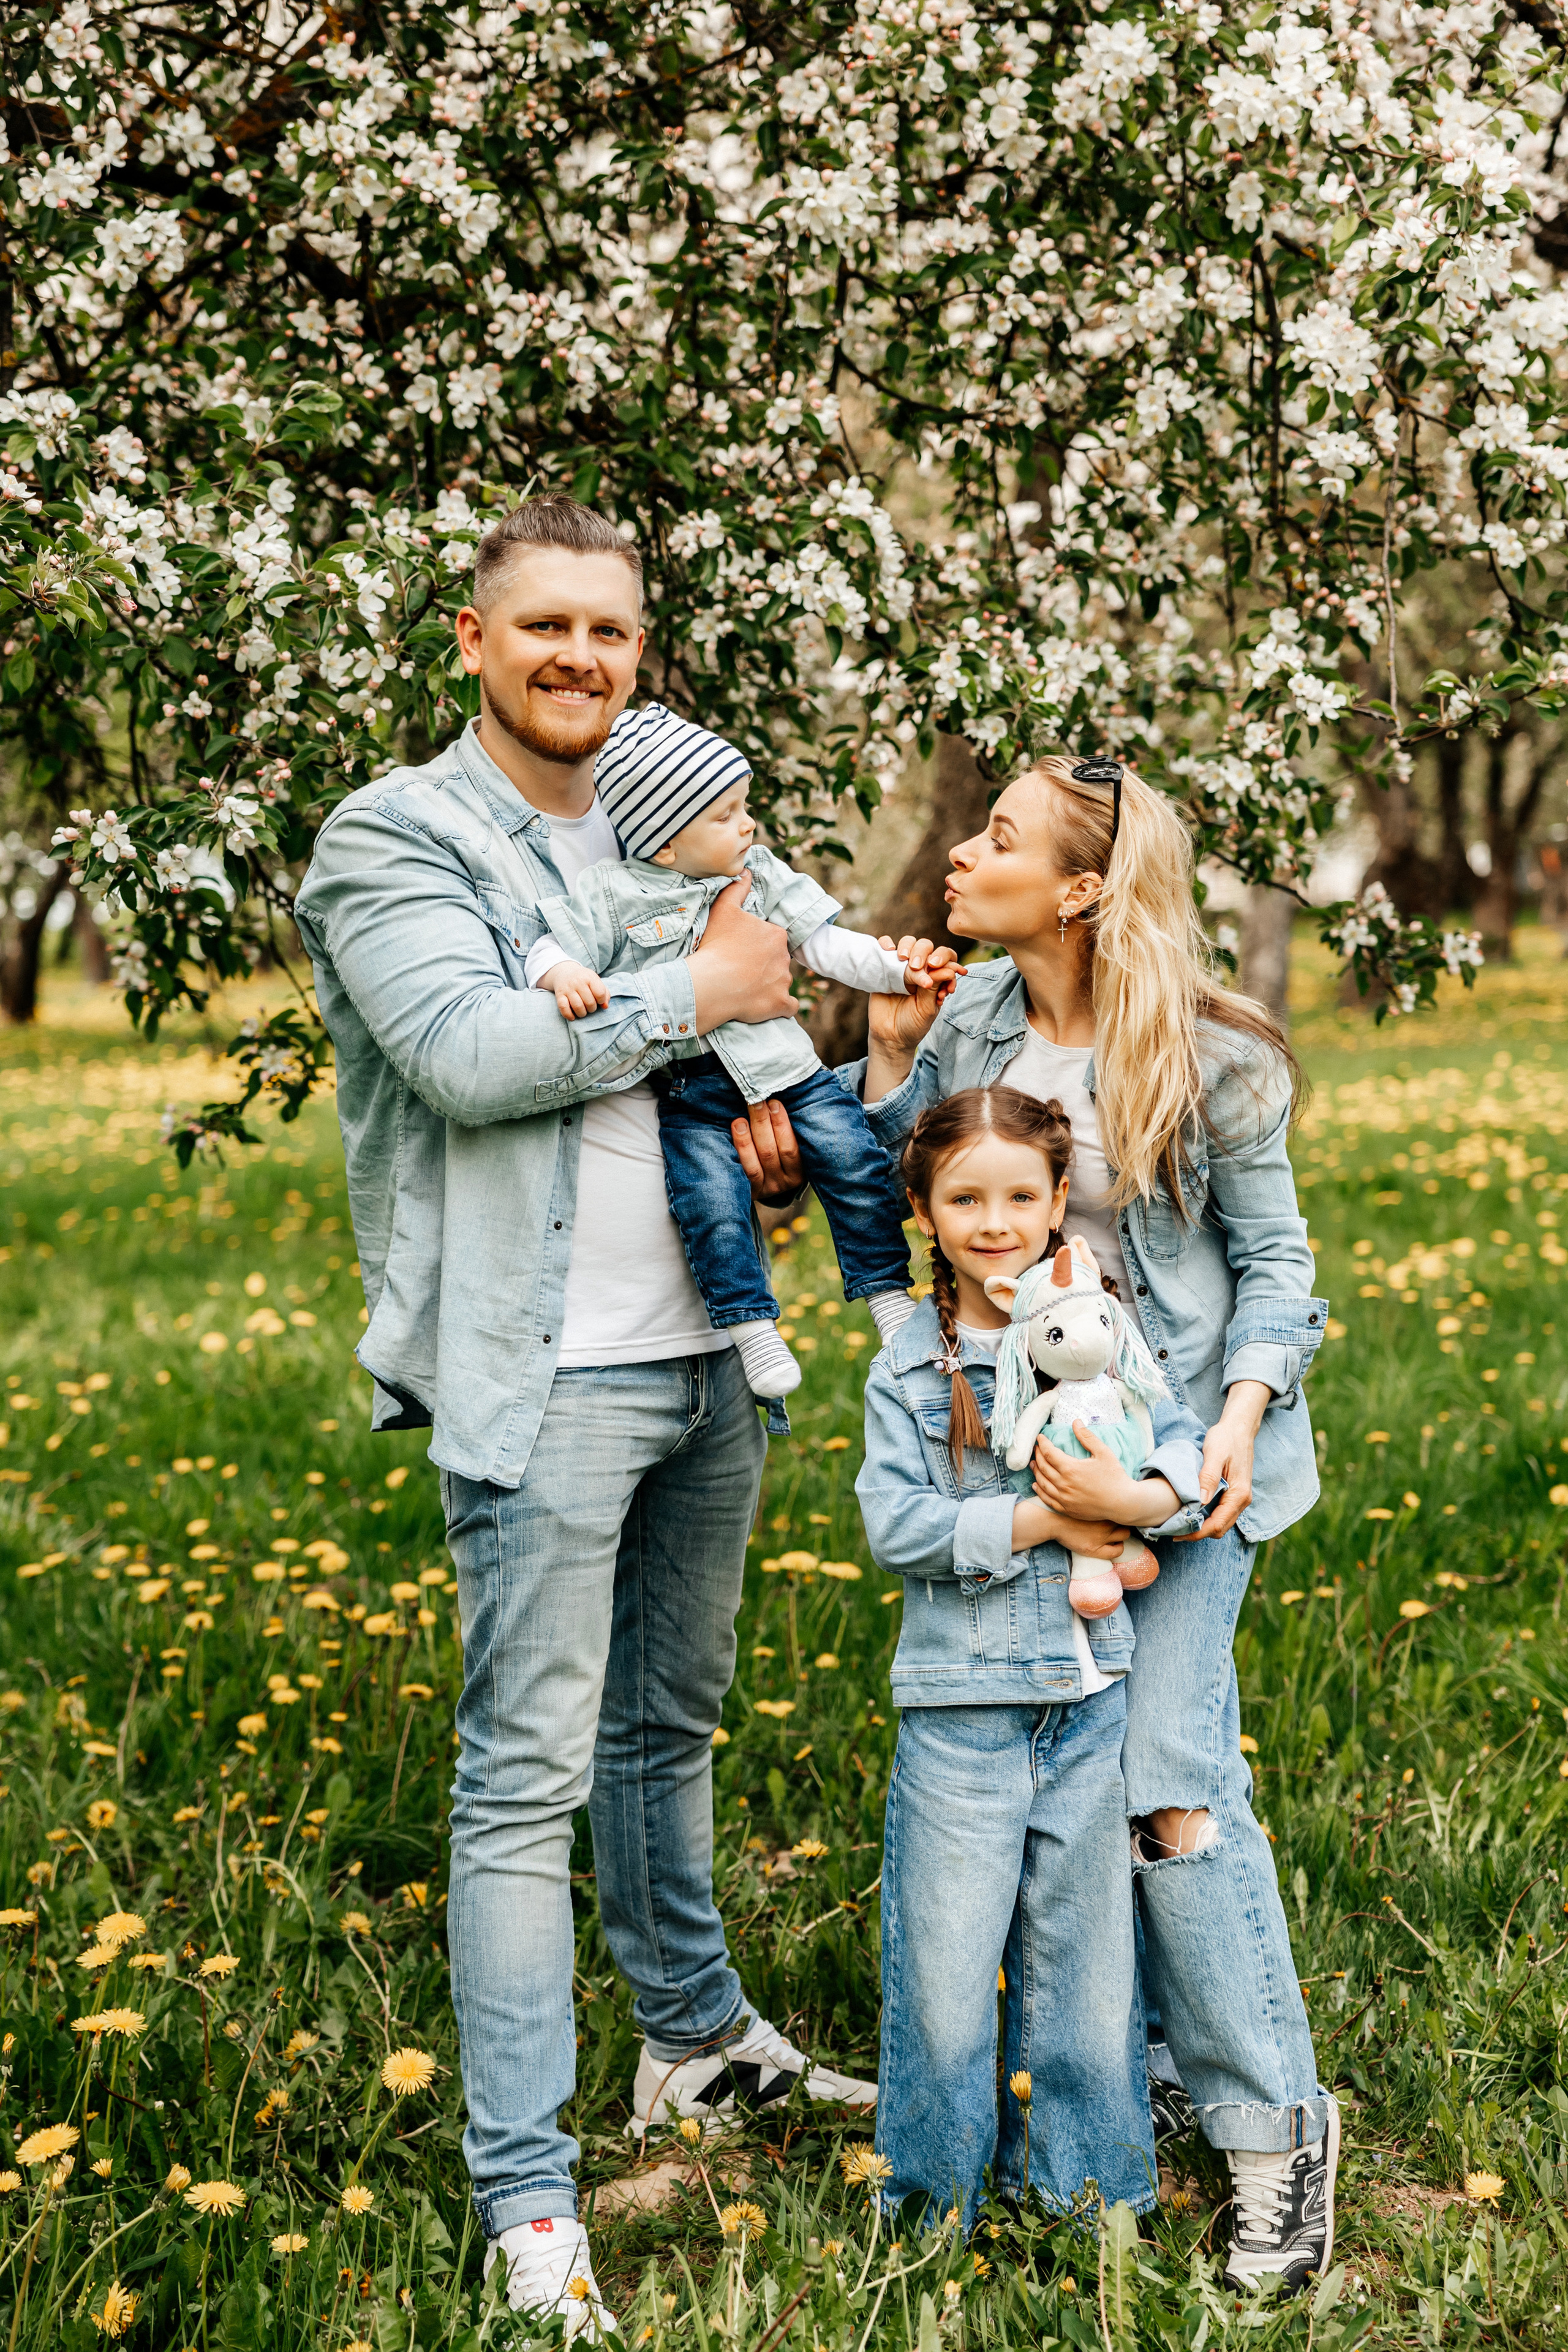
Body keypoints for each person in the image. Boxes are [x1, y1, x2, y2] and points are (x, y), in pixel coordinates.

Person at [293, 494, 950, 2339]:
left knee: (670, 1720)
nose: (580, 657)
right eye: (545, 627)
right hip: (542, 1368)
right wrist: (706, 994)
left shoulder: (674, 814)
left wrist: (752, 1082)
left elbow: (718, 1026)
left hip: (695, 1345)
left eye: (611, 631)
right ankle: (527, 2197)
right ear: (471, 635)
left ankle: (694, 2043)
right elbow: (475, 1054)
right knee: (521, 1777)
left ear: (640, 652)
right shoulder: (396, 834)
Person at [833, 753, 1337, 2291]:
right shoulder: (979, 1017)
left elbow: (1275, 1267)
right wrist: (885, 1054)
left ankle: (1275, 2141)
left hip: (1188, 1468)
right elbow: (903, 1203)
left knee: (1168, 1786)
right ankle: (1134, 2078)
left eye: (997, 836)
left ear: (1078, 889)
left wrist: (1231, 1435)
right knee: (1091, 1782)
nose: (960, 852)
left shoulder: (1206, 1053)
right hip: (1032, 1483)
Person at [856, 1086, 1212, 2228]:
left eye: (1020, 1195)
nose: (994, 1220)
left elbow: (1185, 1448)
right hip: (962, 1707)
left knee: (1088, 1972)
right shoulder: (913, 1359)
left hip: (1091, 1696)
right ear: (923, 1209)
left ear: (1063, 1201)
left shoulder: (1100, 1326)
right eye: (964, 1197)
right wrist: (1039, 1524)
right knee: (948, 1980)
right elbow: (895, 1523)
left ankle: (1089, 2200)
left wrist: (1138, 1497)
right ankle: (927, 2209)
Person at [527, 696, 953, 1400]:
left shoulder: (759, 875)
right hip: (692, 1091)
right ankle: (750, 1325)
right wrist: (564, 972)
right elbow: (547, 945)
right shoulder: (610, 893)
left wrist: (896, 970)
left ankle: (883, 1292)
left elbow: (825, 944)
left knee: (854, 1162)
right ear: (664, 841)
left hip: (790, 1072)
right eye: (724, 813)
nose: (747, 823)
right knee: (709, 1202)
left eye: (743, 805)